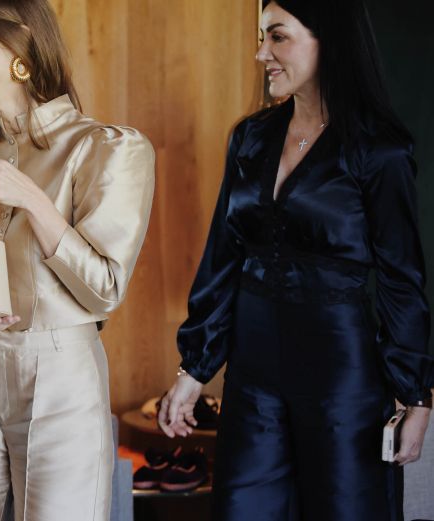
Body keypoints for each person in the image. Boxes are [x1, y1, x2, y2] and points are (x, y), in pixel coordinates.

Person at [157, 1, 433, 520]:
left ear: (328, 40)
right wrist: (194, 369)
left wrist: (416, 397)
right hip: (253, 377)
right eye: (261, 37)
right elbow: (223, 258)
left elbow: (402, 278)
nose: (262, 53)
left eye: (278, 37)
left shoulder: (380, 151)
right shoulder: (251, 137)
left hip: (342, 382)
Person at [0, 1, 155, 519]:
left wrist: (35, 202)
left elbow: (105, 288)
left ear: (16, 45)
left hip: (62, 384)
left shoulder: (106, 150)